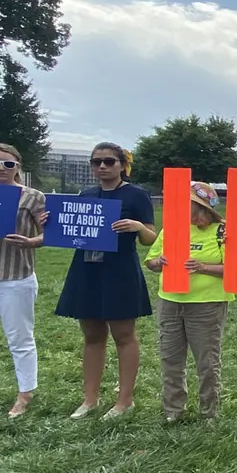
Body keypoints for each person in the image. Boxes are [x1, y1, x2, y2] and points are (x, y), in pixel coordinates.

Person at [54, 143, 157, 420]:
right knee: (91, 335)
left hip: (120, 269)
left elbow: (151, 238)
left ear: (122, 165)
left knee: (124, 335)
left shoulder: (136, 195)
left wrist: (138, 227)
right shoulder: (85, 195)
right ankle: (90, 400)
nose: (102, 166)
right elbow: (67, 230)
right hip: (86, 269)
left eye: (109, 161)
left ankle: (124, 402)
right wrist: (50, 222)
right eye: (96, 161)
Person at [144, 181, 233, 423]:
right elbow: (150, 262)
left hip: (207, 305)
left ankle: (209, 411)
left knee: (207, 361)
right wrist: (157, 262)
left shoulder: (222, 231)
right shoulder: (172, 228)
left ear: (200, 207)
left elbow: (235, 269)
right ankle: (173, 409)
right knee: (170, 357)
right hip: (170, 301)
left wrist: (203, 268)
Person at [0, 144, 47, 418]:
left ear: (18, 167)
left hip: (16, 277)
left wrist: (30, 242)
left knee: (20, 338)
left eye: (8, 164)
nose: (2, 170)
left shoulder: (33, 197)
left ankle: (25, 393)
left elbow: (49, 234)